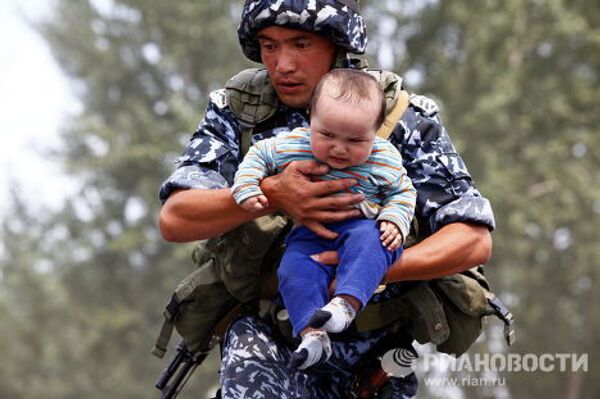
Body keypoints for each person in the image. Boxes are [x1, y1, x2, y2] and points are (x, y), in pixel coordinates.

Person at [158, 1, 495, 397]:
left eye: (300, 45)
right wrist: (273, 194)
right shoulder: (238, 110)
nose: (282, 64)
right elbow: (175, 219)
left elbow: (474, 238)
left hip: (375, 356)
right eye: (269, 46)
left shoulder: (398, 117)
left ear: (337, 45)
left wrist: (381, 266)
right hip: (269, 337)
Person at [231, 68, 417, 370]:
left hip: (362, 225)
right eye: (327, 134)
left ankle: (345, 305)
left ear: (376, 131)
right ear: (310, 119)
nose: (339, 148)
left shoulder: (384, 157)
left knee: (373, 243)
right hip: (308, 234)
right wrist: (248, 185)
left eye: (356, 140)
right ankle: (312, 335)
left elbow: (403, 190)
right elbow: (258, 155)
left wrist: (395, 220)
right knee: (292, 271)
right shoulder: (295, 144)